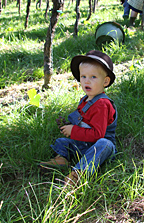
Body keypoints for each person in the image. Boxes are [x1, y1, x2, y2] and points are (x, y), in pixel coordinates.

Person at [39, 50, 118, 186]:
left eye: (93, 77)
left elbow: (97, 134)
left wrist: (74, 131)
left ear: (105, 81)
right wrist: (69, 126)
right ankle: (62, 159)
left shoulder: (103, 104)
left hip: (96, 146)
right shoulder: (85, 100)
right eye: (83, 77)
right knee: (62, 141)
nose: (87, 81)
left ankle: (79, 172)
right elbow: (84, 122)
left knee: (105, 144)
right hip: (83, 143)